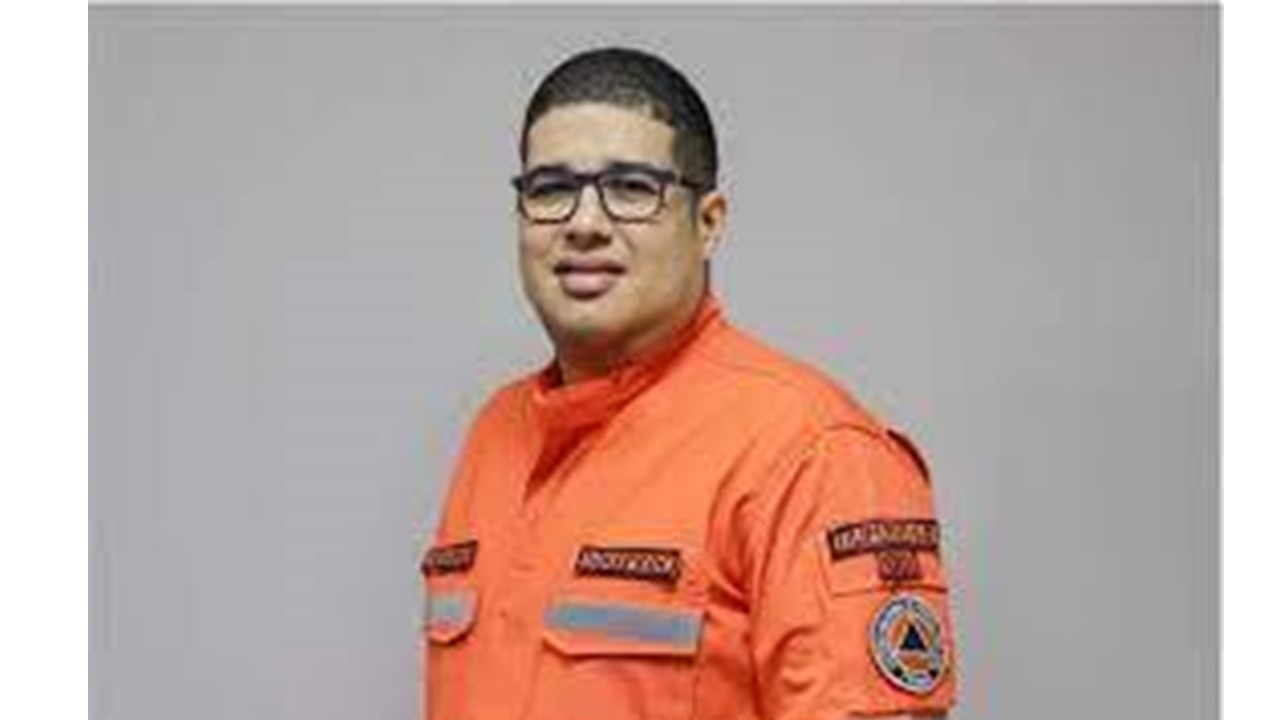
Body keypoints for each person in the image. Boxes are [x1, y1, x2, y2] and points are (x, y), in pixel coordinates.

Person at [420, 46, 957, 720]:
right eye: (550, 189)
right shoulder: (494, 432)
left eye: (632, 188)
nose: (585, 224)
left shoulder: (813, 452)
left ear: (708, 223)